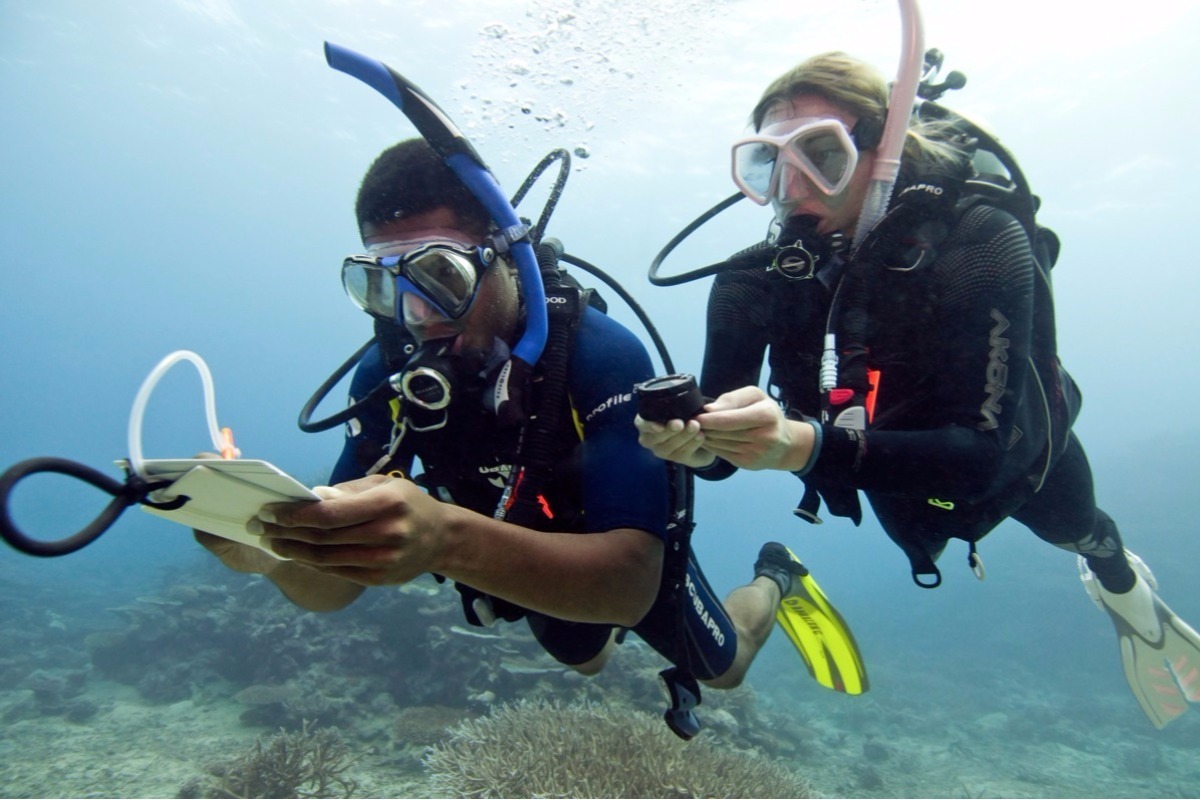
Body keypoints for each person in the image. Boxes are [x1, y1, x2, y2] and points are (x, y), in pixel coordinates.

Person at [193, 138, 864, 736]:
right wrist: (270, 550)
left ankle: (777, 576)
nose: (417, 316)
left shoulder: (601, 354)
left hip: (618, 551)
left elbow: (630, 584)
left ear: (506, 257)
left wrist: (444, 537)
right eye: (381, 285)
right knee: (587, 658)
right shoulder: (389, 374)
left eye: (440, 277)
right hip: (517, 552)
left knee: (725, 668)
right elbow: (333, 588)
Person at [636, 51, 1200, 729]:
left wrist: (799, 446)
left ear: (884, 150)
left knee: (1078, 529)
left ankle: (1126, 591)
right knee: (921, 530)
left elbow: (984, 455)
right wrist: (697, 447)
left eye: (821, 153)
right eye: (770, 163)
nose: (793, 187)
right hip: (883, 472)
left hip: (1017, 459)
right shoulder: (753, 279)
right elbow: (723, 454)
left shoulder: (980, 241)